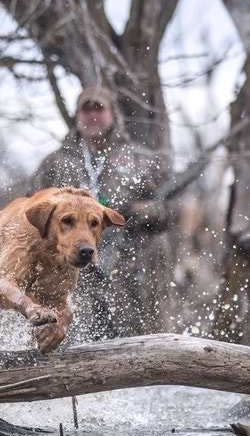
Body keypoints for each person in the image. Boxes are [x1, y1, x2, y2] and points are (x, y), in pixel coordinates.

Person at [32, 85, 171, 340]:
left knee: (135, 344)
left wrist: (147, 212)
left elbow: (167, 212)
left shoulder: (139, 158)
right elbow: (34, 212)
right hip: (74, 271)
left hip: (129, 271)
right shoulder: (56, 162)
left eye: (99, 108)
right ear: (77, 116)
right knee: (76, 341)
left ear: (112, 114)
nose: (93, 115)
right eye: (86, 110)